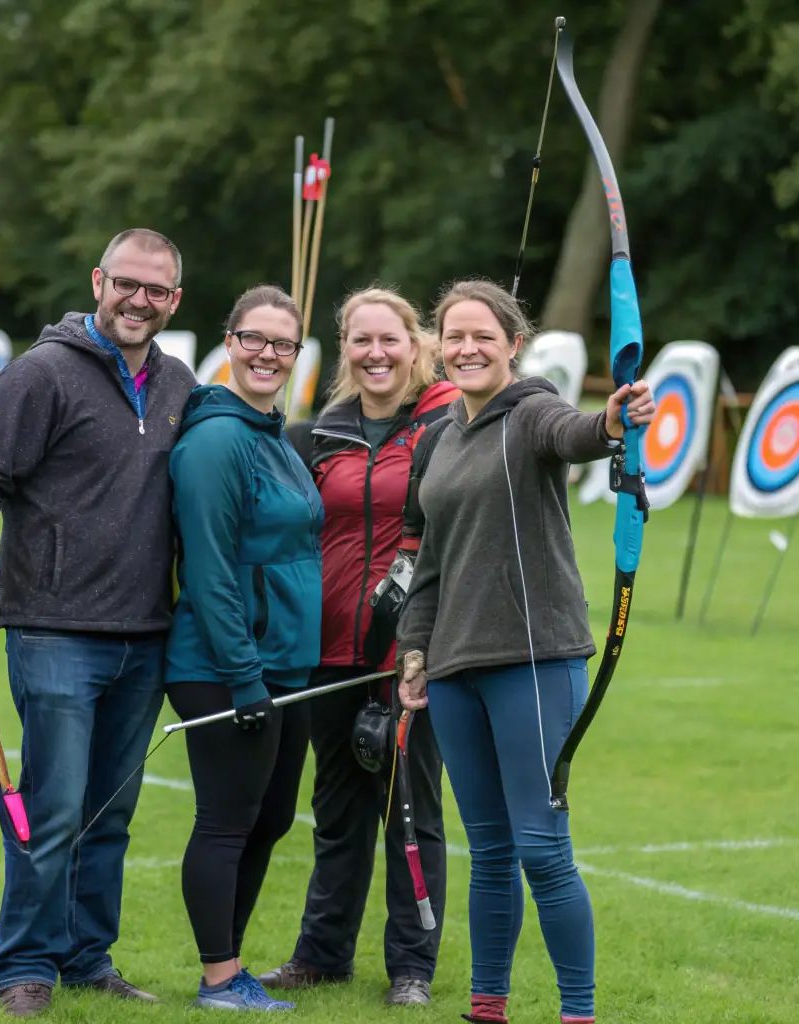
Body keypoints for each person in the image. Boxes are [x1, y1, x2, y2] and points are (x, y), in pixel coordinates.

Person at [0, 228, 197, 1018]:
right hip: (53, 628)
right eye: (127, 283)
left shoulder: (179, 382)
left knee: (109, 815)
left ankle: (88, 957)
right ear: (98, 281)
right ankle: (23, 966)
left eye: (156, 290)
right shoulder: (41, 373)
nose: (139, 300)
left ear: (174, 300)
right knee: (50, 807)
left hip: (145, 633)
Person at [394, 279, 656, 1024]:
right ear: (436, 348)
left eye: (483, 335)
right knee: (489, 853)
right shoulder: (439, 436)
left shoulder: (532, 410)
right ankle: (487, 1008)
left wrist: (610, 421)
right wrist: (414, 650)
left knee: (541, 849)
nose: (466, 347)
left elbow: (574, 434)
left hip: (533, 664)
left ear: (513, 343)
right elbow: (428, 559)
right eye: (453, 335)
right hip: (451, 672)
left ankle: (578, 1012)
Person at [260, 287, 458, 1006]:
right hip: (330, 648)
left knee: (410, 809)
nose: (376, 353)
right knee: (337, 809)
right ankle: (321, 954)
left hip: (409, 651)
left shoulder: (447, 423)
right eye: (360, 341)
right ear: (344, 349)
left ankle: (411, 966)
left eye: (390, 339)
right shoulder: (317, 435)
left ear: (415, 343)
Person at [164, 284, 324, 1012]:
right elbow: (210, 567)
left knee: (270, 818)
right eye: (253, 338)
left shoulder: (271, 433)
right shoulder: (218, 439)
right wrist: (242, 673)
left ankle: (229, 970)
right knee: (228, 820)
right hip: (226, 665)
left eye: (282, 344)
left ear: (296, 354)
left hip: (282, 662)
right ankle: (220, 979)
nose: (266, 353)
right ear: (229, 342)